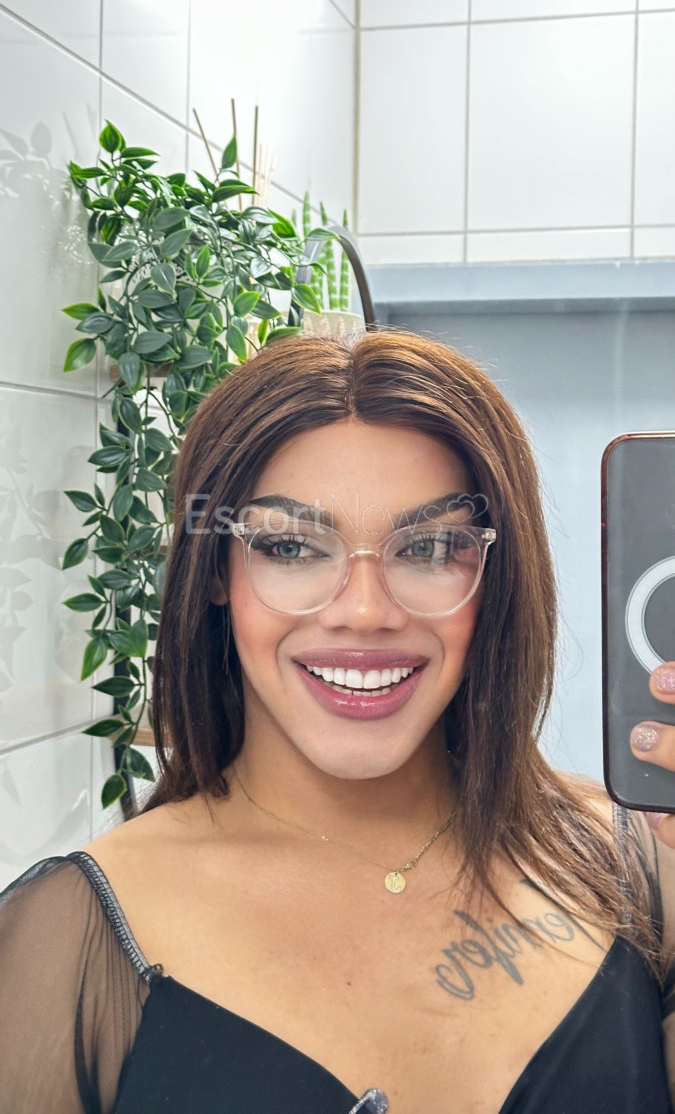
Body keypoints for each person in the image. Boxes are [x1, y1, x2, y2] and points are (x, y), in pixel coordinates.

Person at [1, 326, 675, 1114]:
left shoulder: (638, 868)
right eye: (290, 548)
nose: (363, 612)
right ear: (216, 571)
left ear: (495, 574)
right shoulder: (69, 942)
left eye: (429, 547)